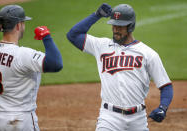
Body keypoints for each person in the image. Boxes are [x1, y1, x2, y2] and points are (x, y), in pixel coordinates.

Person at [67, 3, 173, 131]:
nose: (116, 29)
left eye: (120, 26)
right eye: (114, 25)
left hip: (138, 119)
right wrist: (96, 15)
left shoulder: (148, 54)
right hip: (109, 118)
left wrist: (163, 108)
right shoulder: (101, 46)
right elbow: (73, 35)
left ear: (131, 26)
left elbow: (165, 86)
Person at [0, 5, 63, 131]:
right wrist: (46, 37)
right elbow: (56, 63)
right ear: (18, 25)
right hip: (19, 121)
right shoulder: (22, 55)